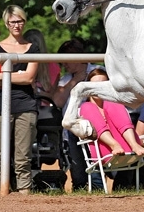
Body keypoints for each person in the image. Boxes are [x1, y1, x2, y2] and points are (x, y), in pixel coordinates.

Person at [0, 5, 39, 195]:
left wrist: (3, 76)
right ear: (6, 23)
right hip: (1, 106)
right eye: (12, 21)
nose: (16, 25)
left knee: (23, 157)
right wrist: (19, 74)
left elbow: (29, 78)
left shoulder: (33, 48)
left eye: (20, 21)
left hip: (26, 105)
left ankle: (24, 194)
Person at [52, 38, 104, 191]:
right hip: (73, 131)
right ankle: (80, 189)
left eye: (66, 60)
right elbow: (58, 101)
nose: (64, 65)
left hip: (98, 126)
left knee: (96, 162)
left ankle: (98, 188)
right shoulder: (66, 79)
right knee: (78, 170)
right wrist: (76, 80)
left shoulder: (98, 70)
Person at [79, 68, 144, 160]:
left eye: (102, 84)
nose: (97, 88)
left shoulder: (113, 104)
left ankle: (134, 144)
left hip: (128, 150)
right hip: (104, 153)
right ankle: (114, 145)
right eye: (94, 85)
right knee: (87, 107)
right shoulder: (85, 108)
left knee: (113, 102)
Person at [23, 29, 61, 100]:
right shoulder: (53, 66)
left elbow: (54, 98)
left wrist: (36, 91)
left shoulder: (18, 63)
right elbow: (53, 96)